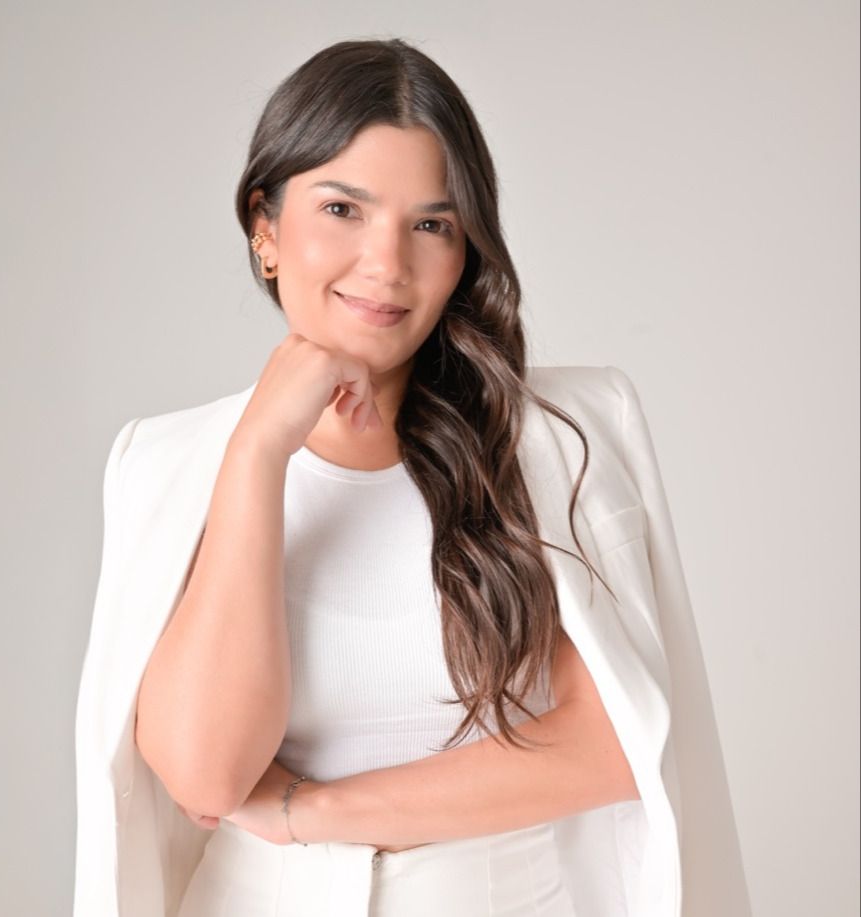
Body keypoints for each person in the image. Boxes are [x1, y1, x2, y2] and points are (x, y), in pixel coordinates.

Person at [73, 37, 752, 916]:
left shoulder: (559, 436)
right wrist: (258, 454)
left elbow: (617, 739)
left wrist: (310, 810)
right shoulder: (166, 461)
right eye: (342, 209)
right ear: (264, 228)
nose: (386, 264)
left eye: (431, 224)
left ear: (466, 248)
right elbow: (205, 774)